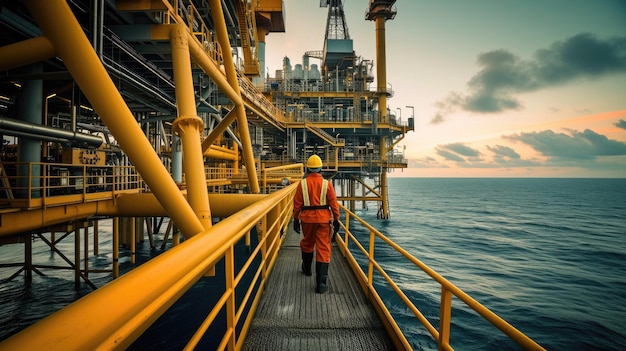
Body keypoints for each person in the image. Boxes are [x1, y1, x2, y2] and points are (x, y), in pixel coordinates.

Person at [292, 154, 340, 293]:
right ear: (321, 169)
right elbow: (333, 203)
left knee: (307, 243)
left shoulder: (302, 184)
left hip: (307, 219)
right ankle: (321, 284)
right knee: (323, 248)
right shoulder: (327, 184)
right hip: (323, 220)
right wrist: (336, 219)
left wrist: (295, 218)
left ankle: (307, 269)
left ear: (307, 169)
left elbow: (297, 203)